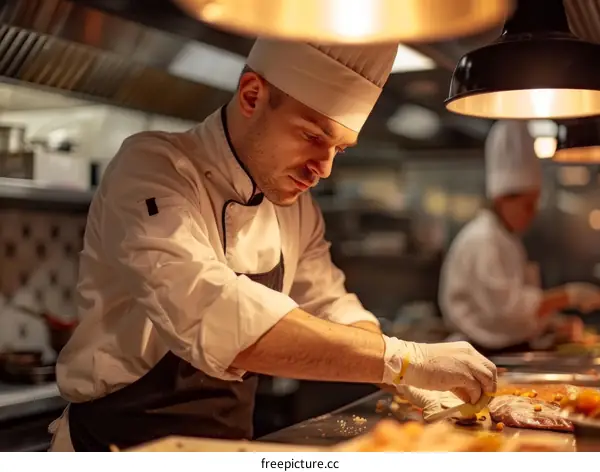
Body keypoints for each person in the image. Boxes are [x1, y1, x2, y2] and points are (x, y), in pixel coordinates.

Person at [47, 38, 497, 452]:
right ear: (251, 95)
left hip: (227, 451)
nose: (323, 169)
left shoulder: (295, 207)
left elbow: (332, 307)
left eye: (339, 150)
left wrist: (405, 378)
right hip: (117, 447)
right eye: (313, 136)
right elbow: (210, 310)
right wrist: (401, 359)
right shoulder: (152, 167)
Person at [438, 120, 600, 356]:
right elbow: (506, 309)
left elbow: (517, 313)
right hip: (480, 353)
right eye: (527, 205)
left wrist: (551, 322)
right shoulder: (483, 240)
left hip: (506, 350)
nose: (533, 212)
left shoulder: (505, 239)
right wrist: (567, 296)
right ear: (503, 199)